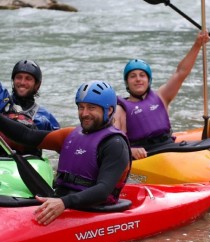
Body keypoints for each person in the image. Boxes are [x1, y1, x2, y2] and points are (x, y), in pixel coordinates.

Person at [0, 80, 131, 226]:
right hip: (62, 201)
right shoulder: (70, 135)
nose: (84, 113)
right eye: (81, 107)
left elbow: (103, 190)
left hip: (93, 209)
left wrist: (64, 202)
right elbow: (27, 136)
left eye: (91, 108)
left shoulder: (115, 144)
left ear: (110, 110)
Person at [114, 31, 210, 160]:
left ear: (149, 80)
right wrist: (130, 151)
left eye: (142, 75)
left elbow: (181, 72)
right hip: (145, 156)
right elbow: (113, 144)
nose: (138, 79)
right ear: (127, 82)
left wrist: (197, 44)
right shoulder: (120, 110)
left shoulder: (162, 96)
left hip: (169, 148)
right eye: (132, 76)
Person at [0, 59, 60, 155]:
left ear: (37, 85)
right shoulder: (2, 103)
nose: (22, 82)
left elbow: (63, 146)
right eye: (19, 77)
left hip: (30, 163)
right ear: (13, 80)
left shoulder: (44, 117)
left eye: (28, 78)